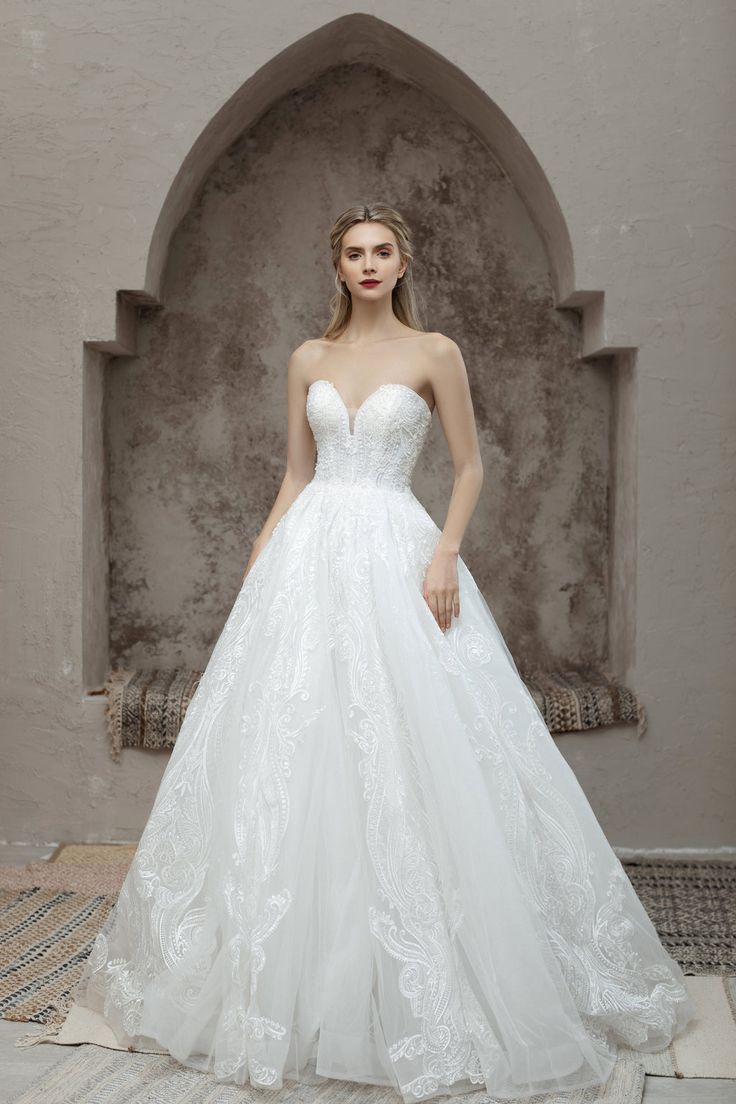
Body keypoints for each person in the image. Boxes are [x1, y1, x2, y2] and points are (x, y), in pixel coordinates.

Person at [69, 203, 695, 1102]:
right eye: (354, 254)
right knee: (299, 756)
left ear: (404, 263)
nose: (368, 265)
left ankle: (440, 980)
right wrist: (259, 563)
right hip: (310, 554)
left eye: (382, 252)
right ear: (339, 267)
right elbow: (295, 473)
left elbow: (471, 466)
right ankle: (293, 985)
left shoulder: (436, 352)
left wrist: (444, 554)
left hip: (402, 553)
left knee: (417, 750)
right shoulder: (308, 360)